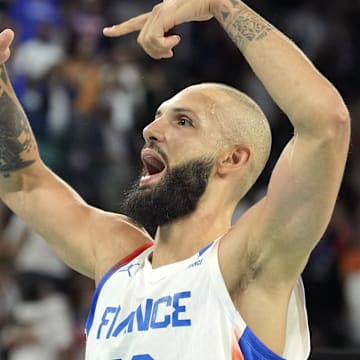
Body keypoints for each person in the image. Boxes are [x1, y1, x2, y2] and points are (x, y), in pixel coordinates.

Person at [0, 0, 350, 358]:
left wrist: (221, 4)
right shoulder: (118, 257)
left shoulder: (249, 261)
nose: (150, 131)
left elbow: (326, 123)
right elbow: (23, 180)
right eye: (157, 117)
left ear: (232, 158)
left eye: (183, 122)